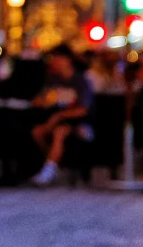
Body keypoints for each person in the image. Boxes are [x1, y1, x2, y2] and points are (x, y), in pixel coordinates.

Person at [28, 48, 92, 186]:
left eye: (58, 59)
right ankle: (51, 162)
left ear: (68, 60)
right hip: (52, 119)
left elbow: (84, 109)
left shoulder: (80, 80)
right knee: (37, 132)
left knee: (60, 132)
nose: (55, 62)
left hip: (76, 122)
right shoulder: (53, 80)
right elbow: (38, 100)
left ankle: (50, 169)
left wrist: (60, 115)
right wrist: (46, 100)